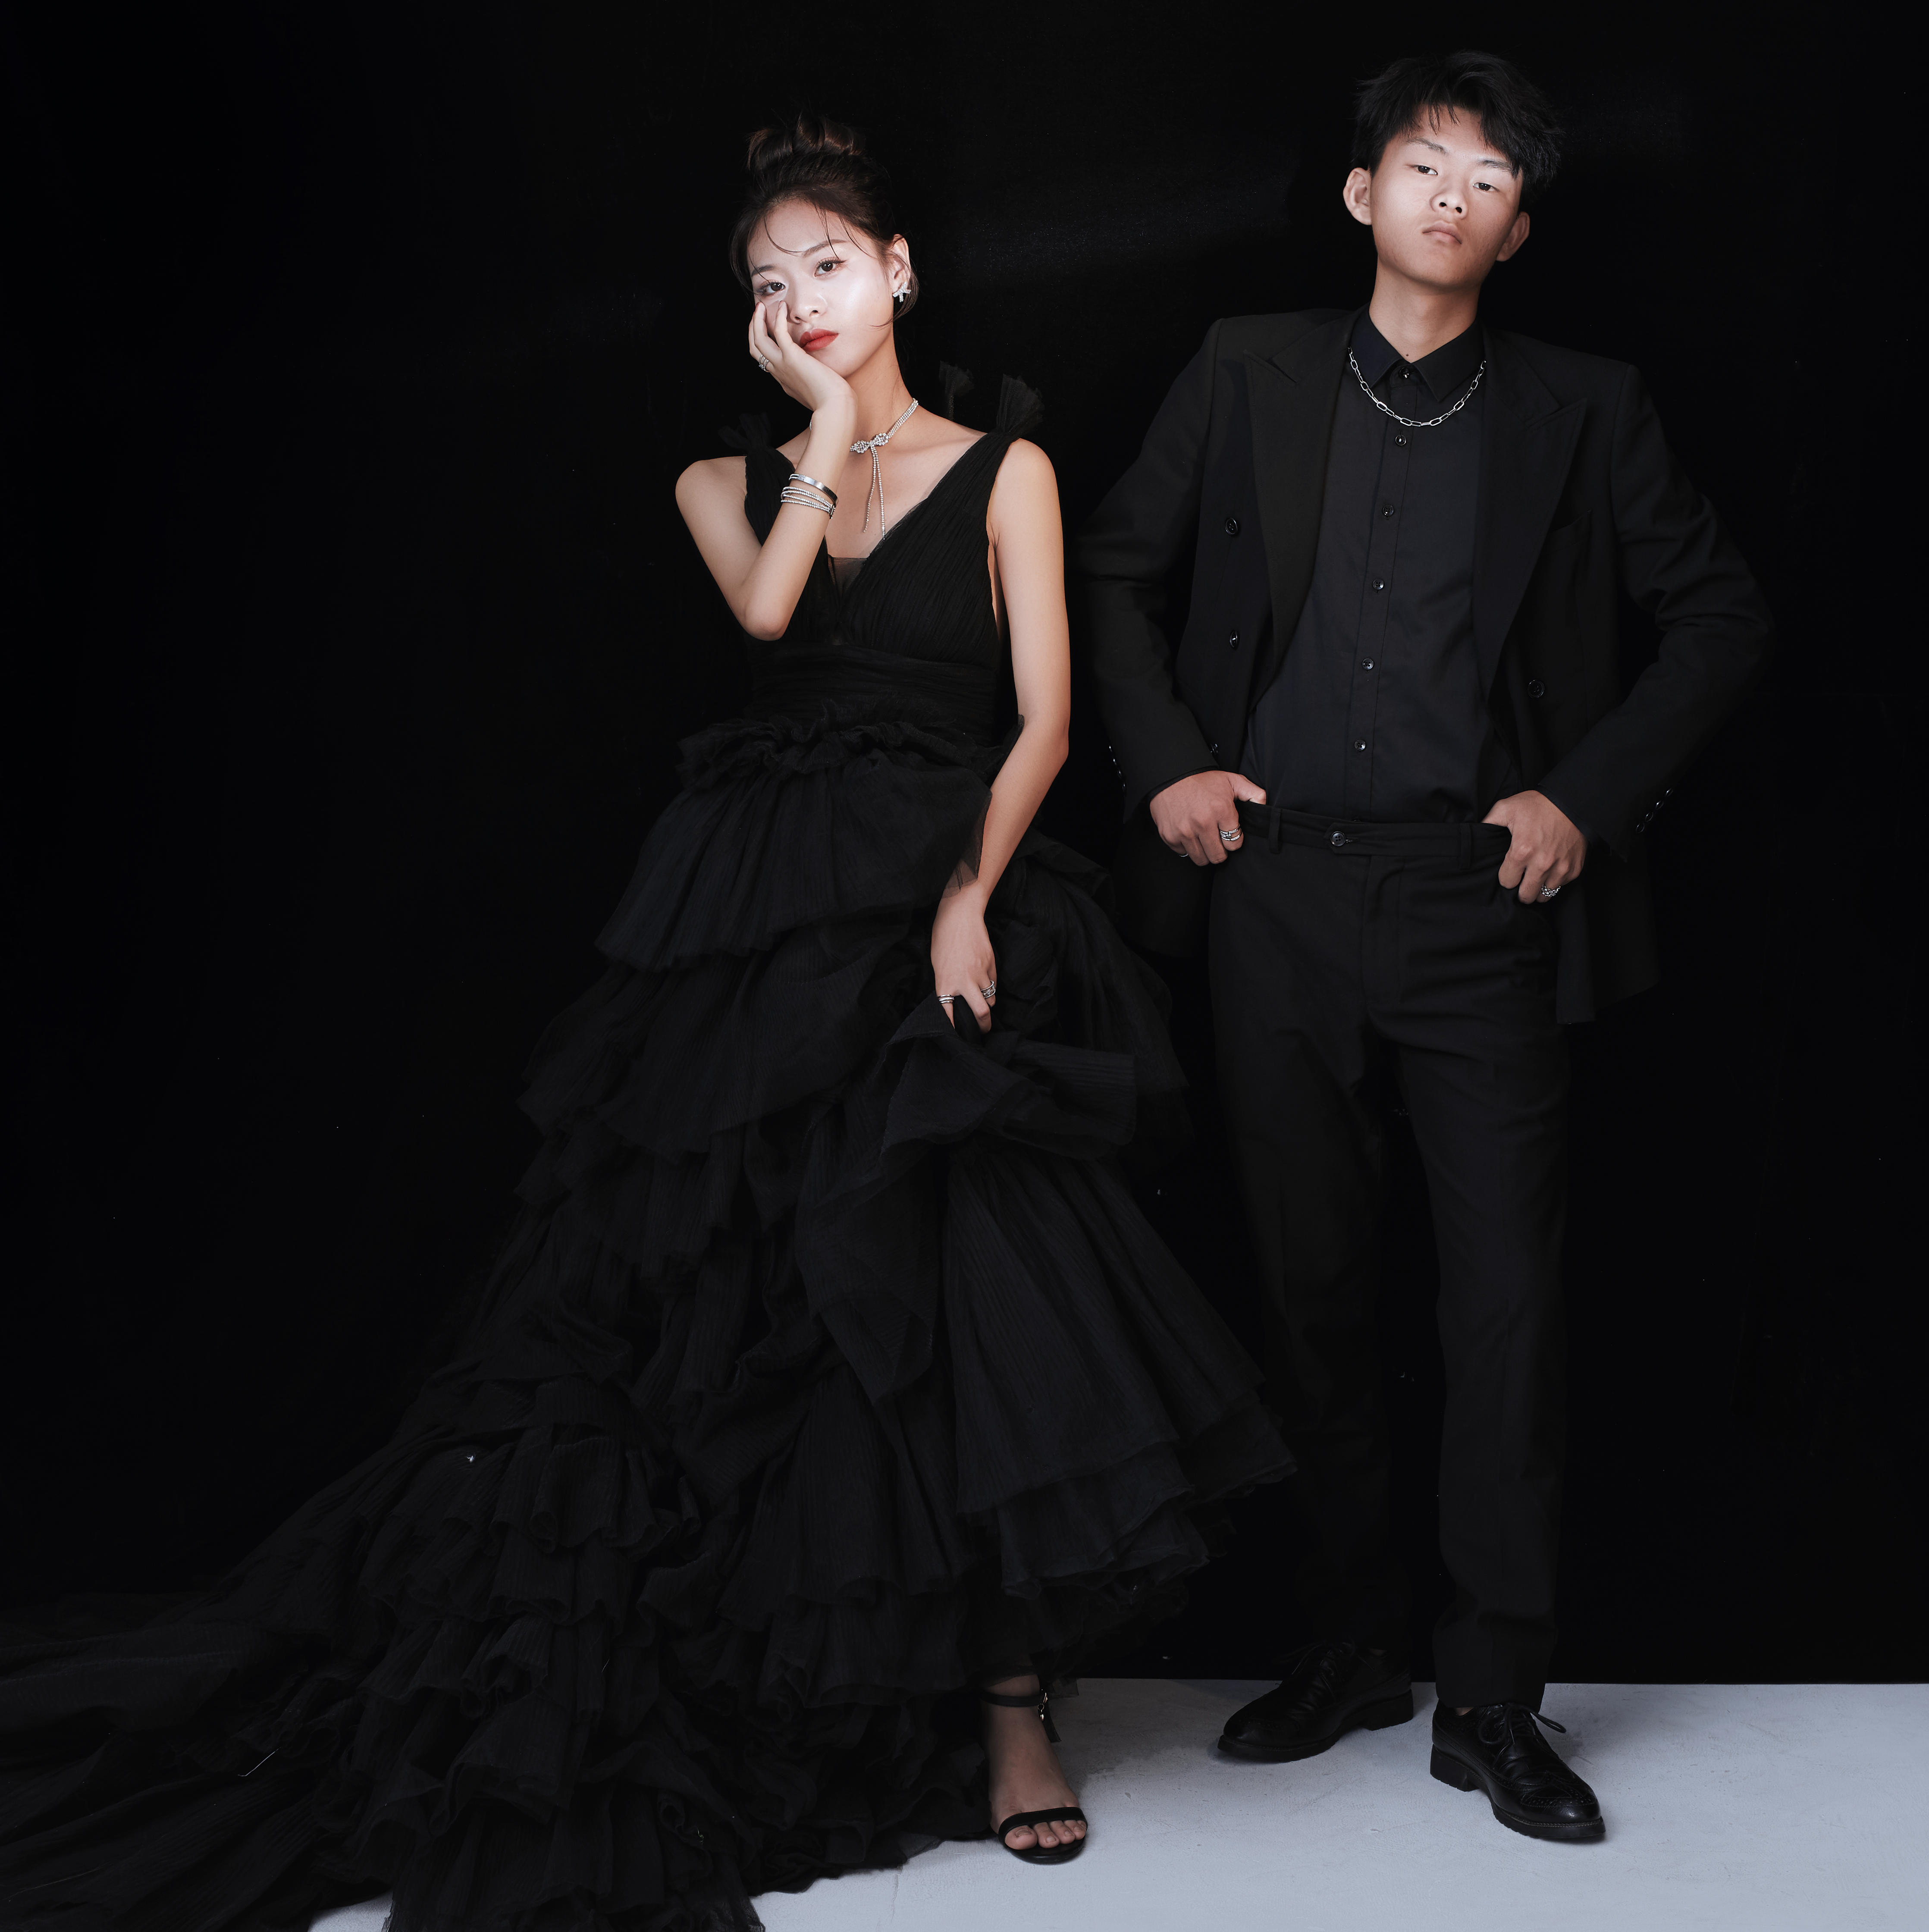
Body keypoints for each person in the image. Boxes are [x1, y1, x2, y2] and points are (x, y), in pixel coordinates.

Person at [0, 119, 1288, 1931]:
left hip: (938, 877)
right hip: (750, 904)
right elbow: (771, 607)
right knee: (728, 1297)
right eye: (768, 285)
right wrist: (821, 425)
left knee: (959, 1291)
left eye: (828, 267)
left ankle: (1013, 1712)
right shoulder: (716, 477)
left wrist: (964, 898)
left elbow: (1047, 723)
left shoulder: (1011, 470)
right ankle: (789, 1664)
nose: (802, 302)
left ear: (900, 269)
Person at [1078, 50, 1770, 1844]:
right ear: (1360, 192)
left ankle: (1493, 1697)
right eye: (1423, 164)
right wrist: (1167, 765)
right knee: (1306, 1286)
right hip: (1278, 892)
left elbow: (1717, 615)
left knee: (1505, 1301)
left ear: (1518, 229)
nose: (1451, 195)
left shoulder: (1585, 407)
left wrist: (1584, 798)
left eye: (1489, 179)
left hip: (1481, 905)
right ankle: (1348, 1644)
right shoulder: (1245, 367)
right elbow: (1111, 571)